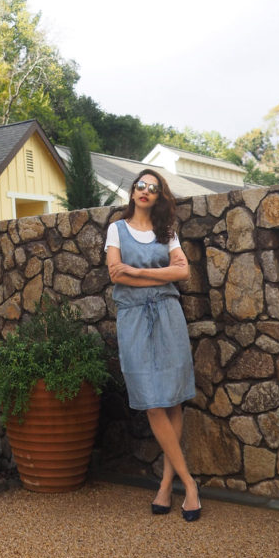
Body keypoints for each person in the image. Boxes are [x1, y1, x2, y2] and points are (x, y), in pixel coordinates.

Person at [104, 169, 201, 521]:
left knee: (172, 399)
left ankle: (165, 483)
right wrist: (160, 273)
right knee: (152, 402)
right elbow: (115, 272)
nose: (145, 191)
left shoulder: (167, 231)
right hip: (133, 319)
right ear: (132, 192)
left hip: (168, 316)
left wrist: (138, 273)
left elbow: (183, 272)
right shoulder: (116, 229)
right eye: (140, 186)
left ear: (160, 197)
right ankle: (189, 484)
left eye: (153, 189)